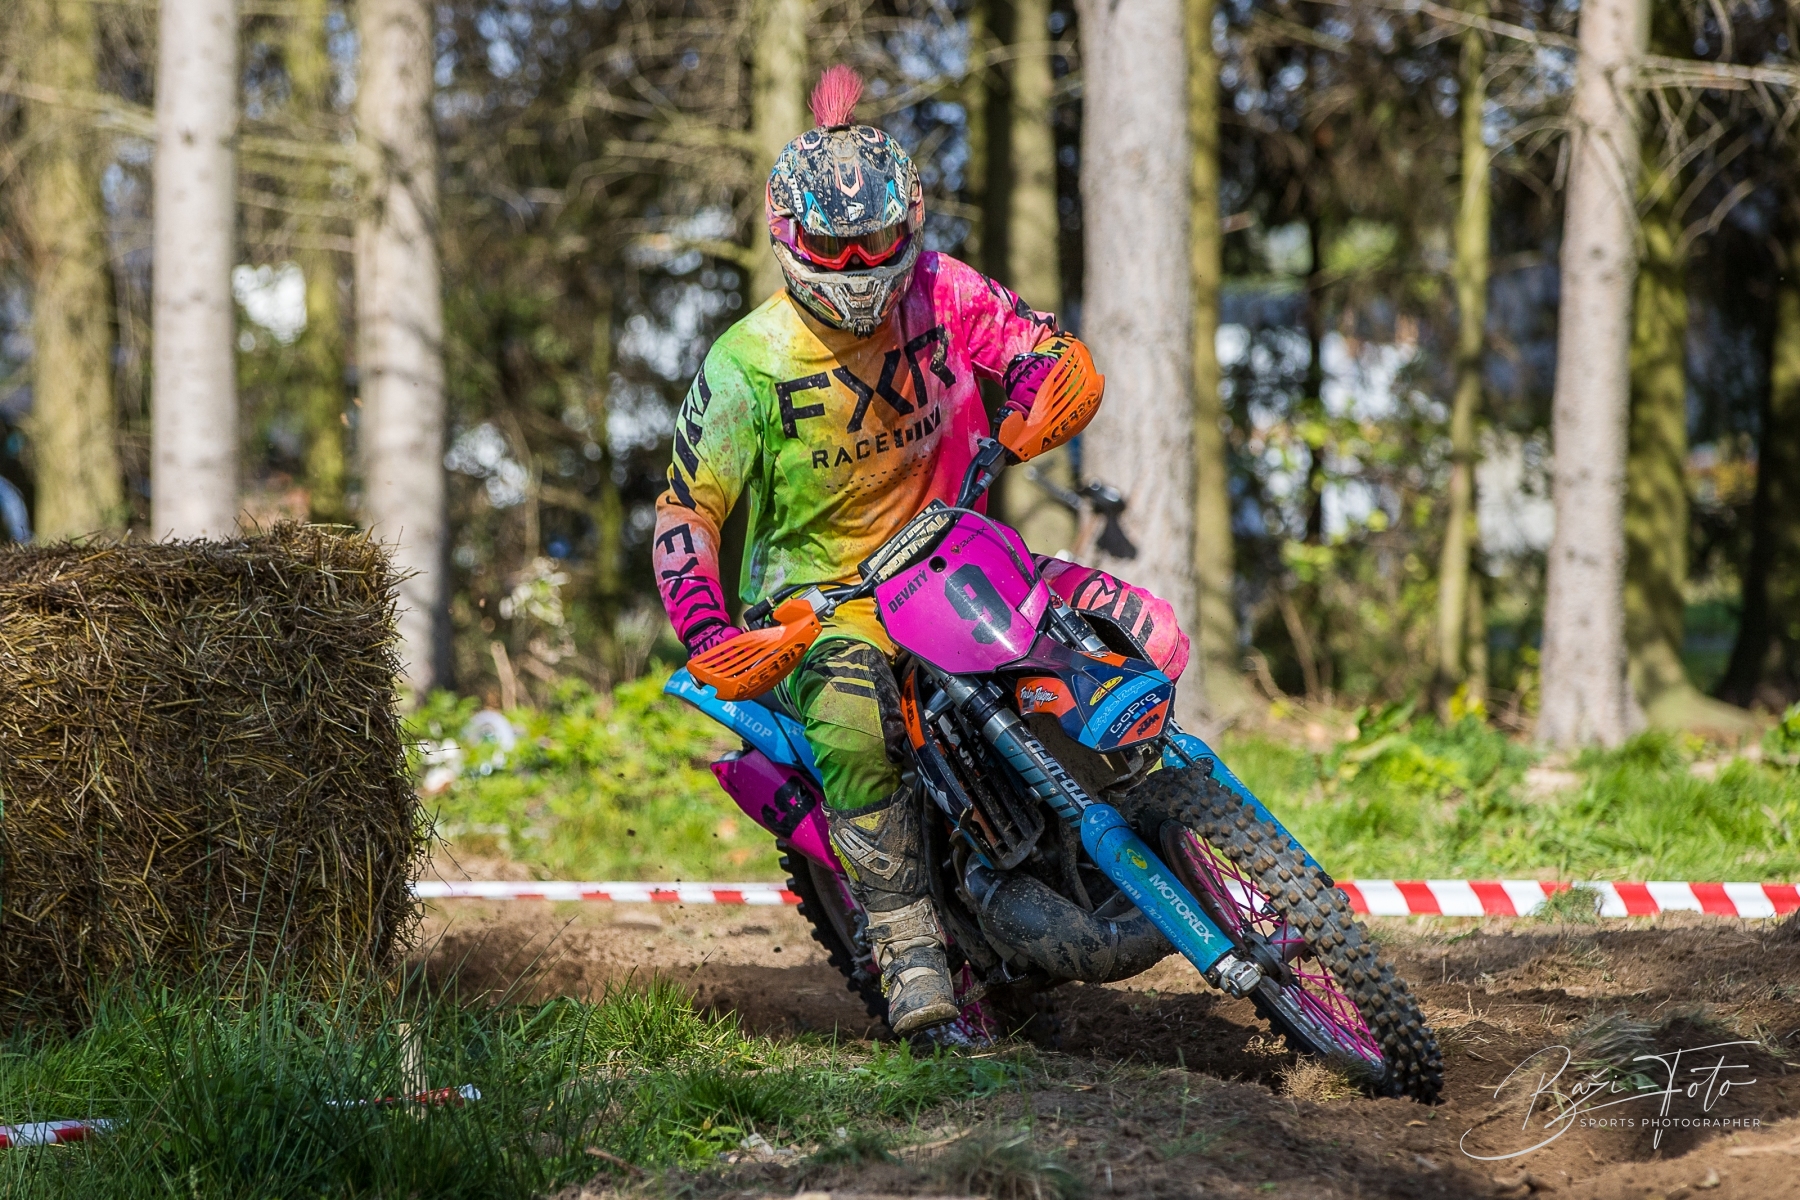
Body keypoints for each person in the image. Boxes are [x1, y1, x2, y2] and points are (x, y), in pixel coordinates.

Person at [652, 66, 1188, 1035]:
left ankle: (1167, 816)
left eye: (875, 241)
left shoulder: (945, 290)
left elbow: (1035, 345)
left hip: (964, 554)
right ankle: (906, 948)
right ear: (787, 236)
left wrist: (1055, 382)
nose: (858, 263)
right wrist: (709, 631)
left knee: (1143, 631)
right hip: (824, 603)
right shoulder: (746, 363)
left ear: (913, 222)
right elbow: (687, 511)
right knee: (855, 726)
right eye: (834, 246)